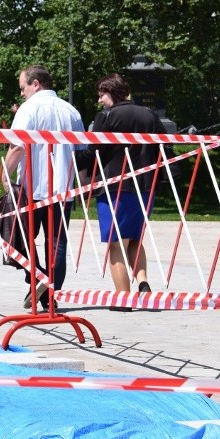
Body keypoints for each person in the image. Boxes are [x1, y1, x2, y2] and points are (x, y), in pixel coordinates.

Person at [75, 73, 164, 312]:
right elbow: (164, 146)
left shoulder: (106, 116)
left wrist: (73, 159)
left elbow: (95, 151)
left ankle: (123, 299)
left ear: (111, 92)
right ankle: (143, 282)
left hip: (115, 186)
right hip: (146, 186)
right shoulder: (149, 114)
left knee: (115, 244)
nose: (100, 100)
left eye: (101, 94)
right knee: (135, 238)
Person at [2, 64, 84, 311]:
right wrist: (82, 183)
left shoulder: (29, 109)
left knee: (22, 239)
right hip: (63, 188)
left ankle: (37, 278)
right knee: (57, 242)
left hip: (33, 186)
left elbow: (17, 146)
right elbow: (82, 151)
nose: (21, 93)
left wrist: (5, 175)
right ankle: (49, 293)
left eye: (23, 87)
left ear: (35, 84)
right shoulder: (71, 111)